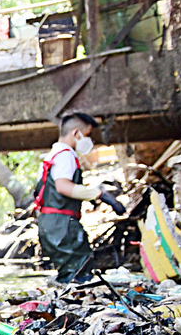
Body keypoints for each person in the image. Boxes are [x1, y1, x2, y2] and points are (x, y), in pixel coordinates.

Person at [33, 112, 125, 284]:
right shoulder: (66, 155)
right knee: (79, 268)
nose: (89, 140)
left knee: (71, 268)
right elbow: (63, 186)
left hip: (50, 223)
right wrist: (99, 194)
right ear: (76, 134)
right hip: (63, 224)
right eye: (88, 135)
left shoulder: (52, 155)